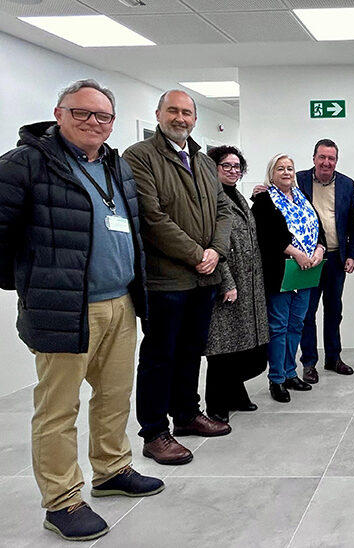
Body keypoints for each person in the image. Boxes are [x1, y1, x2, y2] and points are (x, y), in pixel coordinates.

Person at [0, 79, 163, 541]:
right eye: (83, 113)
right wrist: (33, 283)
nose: (94, 123)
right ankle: (62, 501)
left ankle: (112, 471)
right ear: (58, 113)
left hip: (121, 301)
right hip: (66, 307)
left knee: (113, 399)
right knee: (58, 409)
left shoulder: (116, 164)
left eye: (104, 116)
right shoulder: (24, 164)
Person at [123, 89, 233, 466]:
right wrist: (196, 254)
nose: (180, 118)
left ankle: (186, 415)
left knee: (191, 351)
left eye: (187, 112)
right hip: (166, 279)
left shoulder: (202, 161)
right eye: (173, 111)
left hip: (203, 278)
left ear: (195, 119)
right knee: (159, 356)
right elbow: (151, 218)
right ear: (158, 114)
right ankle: (154, 432)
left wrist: (215, 252)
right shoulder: (139, 157)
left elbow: (223, 210)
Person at [252, 154, 326, 403]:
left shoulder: (302, 198)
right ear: (271, 173)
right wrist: (296, 254)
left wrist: (319, 250)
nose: (286, 173)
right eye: (281, 169)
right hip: (281, 272)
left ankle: (290, 373)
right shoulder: (263, 200)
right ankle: (276, 379)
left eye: (290, 169)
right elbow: (267, 237)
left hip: (306, 272)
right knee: (278, 326)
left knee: (297, 324)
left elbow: (320, 229)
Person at [202, 146, 269, 423]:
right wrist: (226, 282)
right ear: (214, 169)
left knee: (249, 349)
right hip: (227, 285)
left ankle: (235, 392)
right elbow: (211, 243)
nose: (232, 170)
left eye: (236, 166)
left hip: (250, 284)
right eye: (226, 166)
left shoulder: (238, 197)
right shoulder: (210, 200)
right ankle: (216, 402)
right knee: (222, 350)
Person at [297, 139, 354, 383]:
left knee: (334, 311)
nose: (326, 162)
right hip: (309, 259)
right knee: (307, 312)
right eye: (322, 157)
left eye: (331, 158)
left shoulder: (346, 184)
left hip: (336, 257)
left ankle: (333, 358)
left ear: (336, 160)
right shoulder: (299, 180)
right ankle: (309, 363)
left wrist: (352, 254)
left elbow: (353, 223)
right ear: (314, 158)